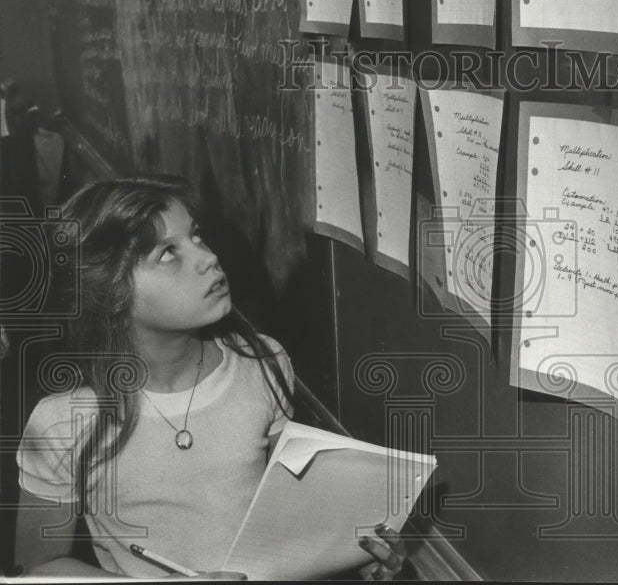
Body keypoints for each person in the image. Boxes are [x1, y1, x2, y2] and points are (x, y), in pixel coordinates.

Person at [14, 175, 406, 580]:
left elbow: (290, 519)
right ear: (111, 292)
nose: (208, 258)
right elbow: (39, 568)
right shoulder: (64, 421)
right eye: (168, 253)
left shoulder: (261, 362)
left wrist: (356, 555)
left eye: (196, 235)